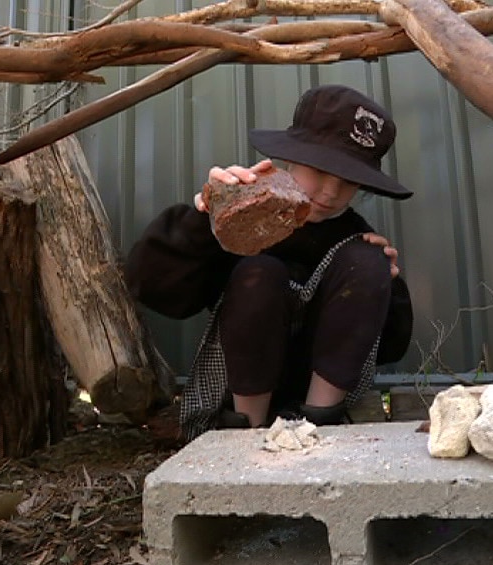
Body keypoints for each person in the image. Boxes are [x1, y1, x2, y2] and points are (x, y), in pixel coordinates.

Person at [125, 85, 414, 440]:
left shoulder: (354, 238)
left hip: (324, 398)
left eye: (348, 181)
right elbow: (151, 284)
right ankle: (247, 430)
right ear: (289, 158)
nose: (329, 193)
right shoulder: (248, 212)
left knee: (367, 260)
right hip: (233, 391)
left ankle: (320, 423)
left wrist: (384, 282)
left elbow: (390, 347)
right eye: (320, 170)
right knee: (260, 271)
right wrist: (210, 216)